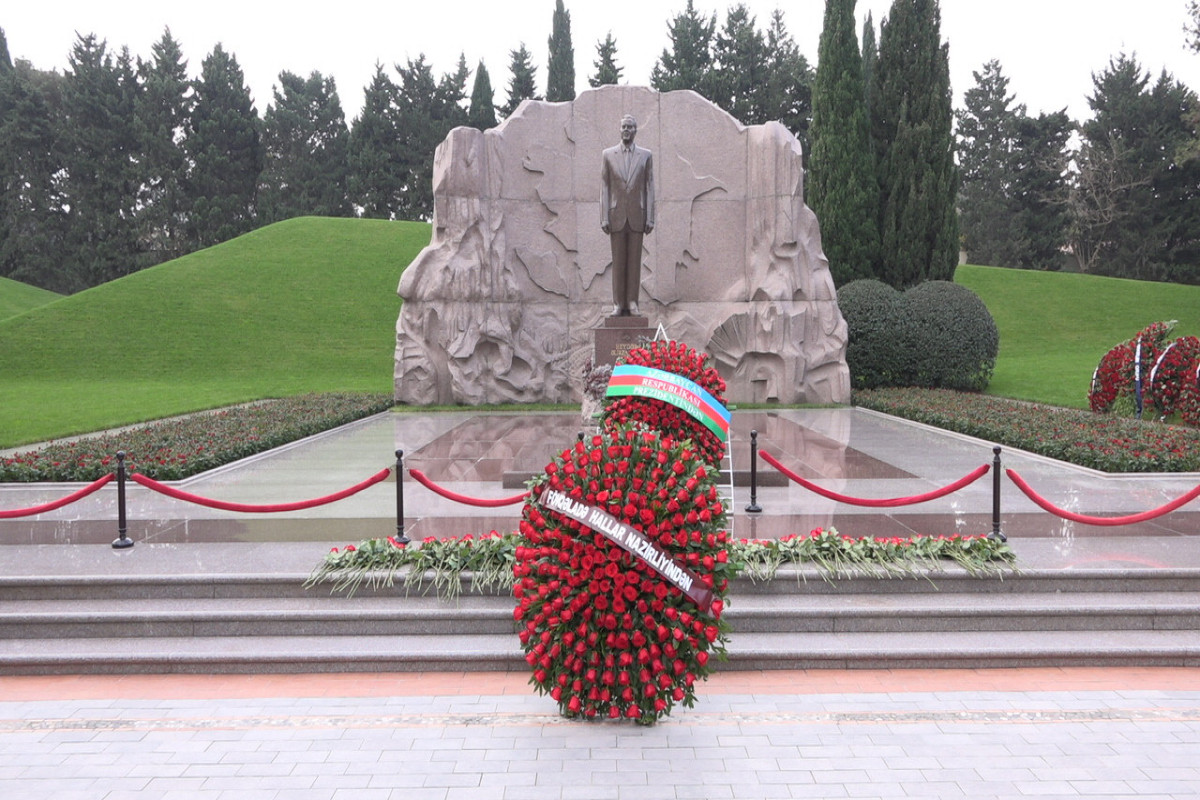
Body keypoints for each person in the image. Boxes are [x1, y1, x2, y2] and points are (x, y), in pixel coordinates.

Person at [600, 114, 655, 316]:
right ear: (619, 129)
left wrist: (650, 217)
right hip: (616, 216)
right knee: (618, 262)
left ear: (635, 130)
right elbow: (605, 187)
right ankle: (618, 304)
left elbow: (649, 186)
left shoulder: (646, 155)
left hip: (637, 216)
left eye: (630, 127)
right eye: (623, 126)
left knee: (634, 262)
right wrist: (604, 216)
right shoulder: (608, 155)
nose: (626, 130)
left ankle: (632, 302)